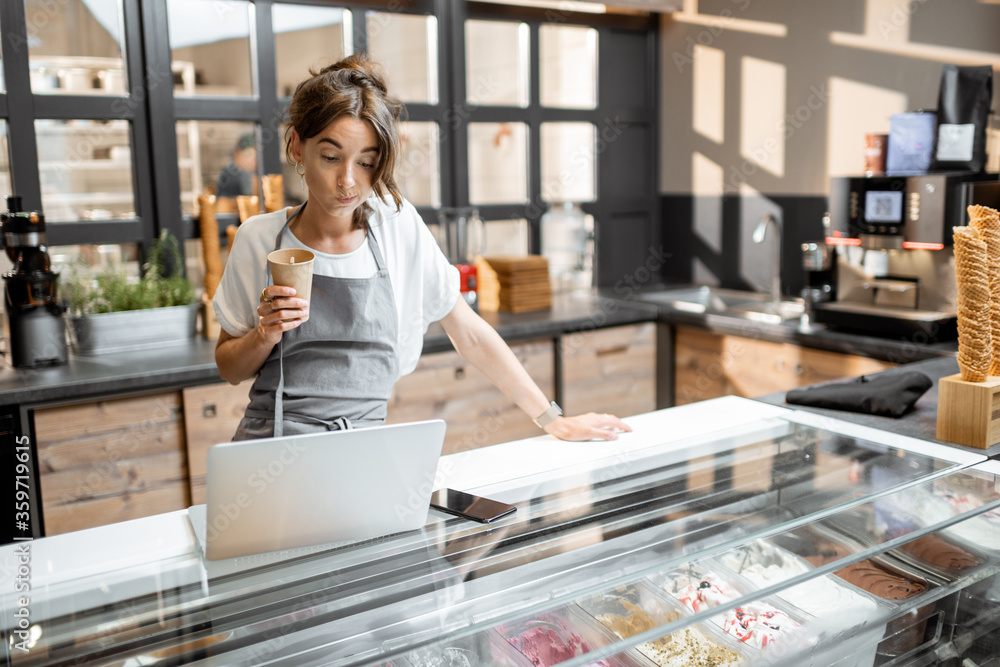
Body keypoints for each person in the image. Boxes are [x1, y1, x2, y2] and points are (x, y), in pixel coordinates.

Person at [212, 53, 630, 442]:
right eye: (330, 157)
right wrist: (264, 334)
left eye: (366, 162)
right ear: (297, 148)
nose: (348, 182)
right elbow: (229, 367)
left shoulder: (397, 226)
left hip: (363, 450)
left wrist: (553, 420)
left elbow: (470, 334)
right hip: (269, 451)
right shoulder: (259, 238)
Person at [215, 133, 258, 198]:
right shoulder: (229, 174)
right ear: (238, 154)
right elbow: (223, 204)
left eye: (256, 156)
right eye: (249, 155)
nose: (254, 160)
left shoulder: (256, 172)